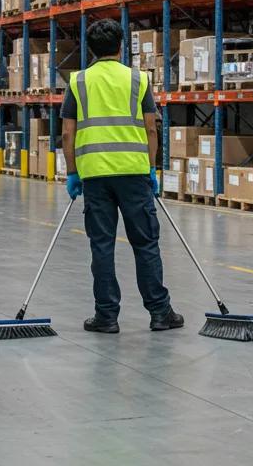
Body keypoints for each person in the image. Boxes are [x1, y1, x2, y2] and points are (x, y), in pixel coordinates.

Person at [61, 19, 182, 334]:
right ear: (121, 46)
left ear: (90, 49)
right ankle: (160, 313)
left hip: (95, 176)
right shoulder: (138, 79)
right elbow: (151, 128)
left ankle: (106, 316)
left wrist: (72, 173)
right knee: (146, 243)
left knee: (102, 246)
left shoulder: (78, 82)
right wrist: (151, 168)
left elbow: (67, 133)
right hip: (134, 174)